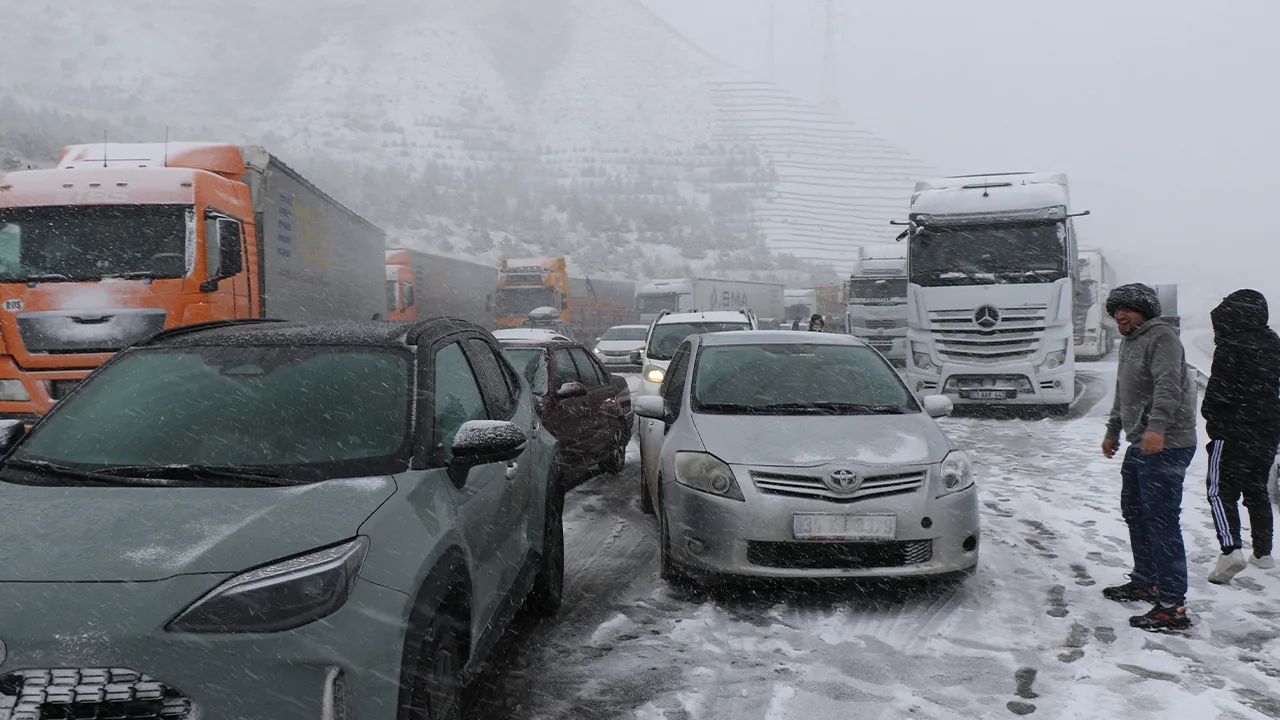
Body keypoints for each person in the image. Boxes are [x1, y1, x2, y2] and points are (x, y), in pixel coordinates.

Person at [1100, 283, 1199, 631]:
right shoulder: (1130, 341)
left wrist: (1157, 428)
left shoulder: (1162, 337)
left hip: (1167, 443)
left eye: (1127, 309)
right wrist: (1114, 429)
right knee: (1135, 512)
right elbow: (1123, 393)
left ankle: (1172, 606)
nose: (1120, 316)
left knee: (1161, 522)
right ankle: (1147, 580)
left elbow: (1169, 385)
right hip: (1141, 443)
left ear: (1144, 311)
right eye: (1116, 311)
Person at [1201, 289, 1280, 583]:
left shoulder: (1231, 345)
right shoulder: (1272, 342)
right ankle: (1263, 553)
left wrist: (1211, 415)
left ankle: (1230, 550)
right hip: (1267, 430)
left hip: (1232, 430)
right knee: (1257, 490)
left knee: (1220, 491)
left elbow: (1218, 392)